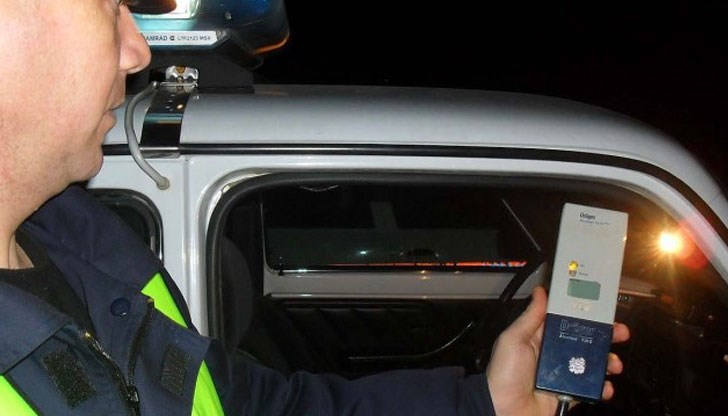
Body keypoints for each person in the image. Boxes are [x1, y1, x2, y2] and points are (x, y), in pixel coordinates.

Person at [0, 1, 629, 415]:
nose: (137, 50)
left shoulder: (88, 248)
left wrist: (485, 403)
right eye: (107, 5)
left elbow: (257, 407)